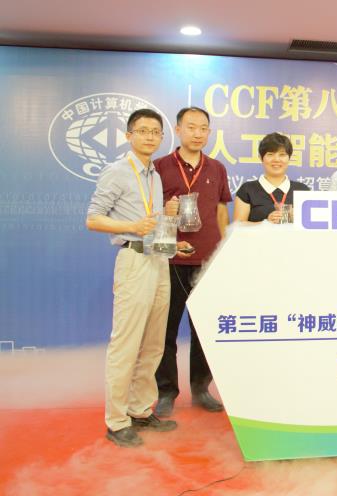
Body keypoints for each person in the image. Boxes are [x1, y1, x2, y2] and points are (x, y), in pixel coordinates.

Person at [86, 108, 190, 447]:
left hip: (158, 259)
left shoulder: (154, 175)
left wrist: (172, 239)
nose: (149, 137)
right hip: (133, 259)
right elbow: (94, 219)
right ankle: (117, 421)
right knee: (126, 343)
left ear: (161, 137)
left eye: (155, 132)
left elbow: (152, 224)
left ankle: (140, 409)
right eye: (143, 131)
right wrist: (131, 226)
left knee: (154, 343)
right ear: (129, 135)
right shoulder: (117, 171)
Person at [153, 107, 232, 417]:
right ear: (177, 130)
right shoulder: (159, 167)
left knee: (204, 330)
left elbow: (222, 211)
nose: (197, 133)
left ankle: (201, 388)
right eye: (191, 127)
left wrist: (223, 250)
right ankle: (166, 392)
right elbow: (150, 213)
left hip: (207, 261)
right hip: (170, 259)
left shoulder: (217, 168)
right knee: (166, 329)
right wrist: (166, 212)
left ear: (209, 133)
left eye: (203, 128)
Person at [233, 133, 310, 223]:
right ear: (261, 158)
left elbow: (312, 225)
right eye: (270, 154)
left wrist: (298, 218)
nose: (276, 159)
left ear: (289, 158)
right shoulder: (247, 190)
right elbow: (238, 225)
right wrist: (265, 223)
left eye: (282, 154)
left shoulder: (302, 190)